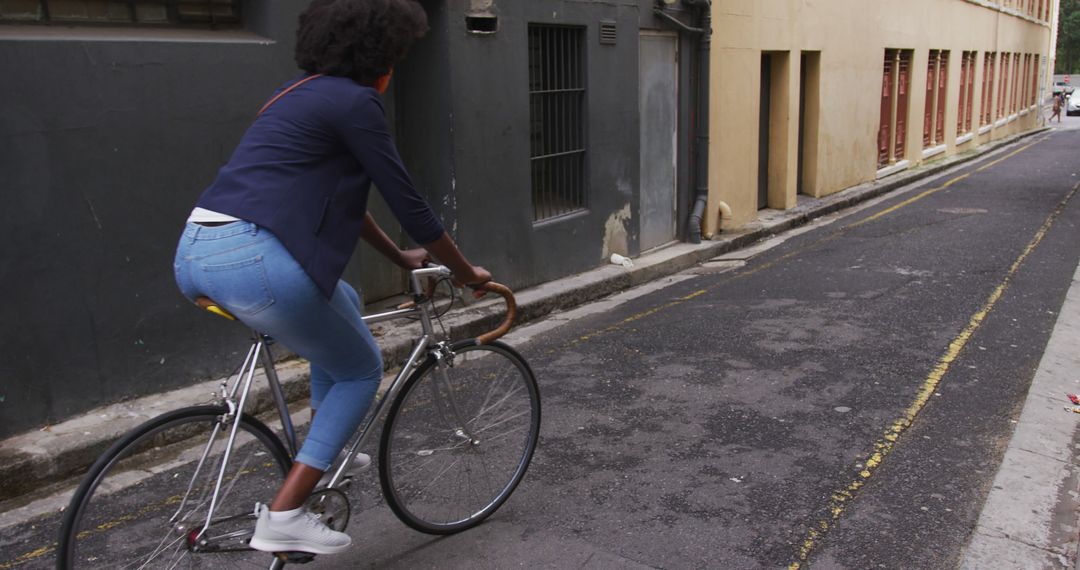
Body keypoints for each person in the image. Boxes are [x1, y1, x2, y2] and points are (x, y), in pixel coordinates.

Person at [172, 0, 490, 555]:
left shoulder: (293, 96)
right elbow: (412, 208)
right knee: (361, 370)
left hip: (196, 252)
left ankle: (324, 447)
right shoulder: (357, 102)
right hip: (254, 258)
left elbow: (349, 203)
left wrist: (399, 257)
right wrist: (466, 274)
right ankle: (285, 513)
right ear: (383, 56)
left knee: (337, 298)